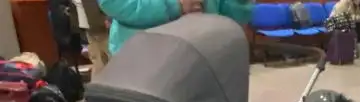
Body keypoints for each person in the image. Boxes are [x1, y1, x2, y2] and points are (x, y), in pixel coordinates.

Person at [98, 0, 252, 54]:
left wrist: (238, 6)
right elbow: (113, 2)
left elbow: (234, 10)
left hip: (206, 51)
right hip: (144, 56)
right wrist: (175, 5)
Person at [70, 0, 110, 74]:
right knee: (98, 59)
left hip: (100, 27)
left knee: (106, 57)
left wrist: (105, 20)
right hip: (91, 29)